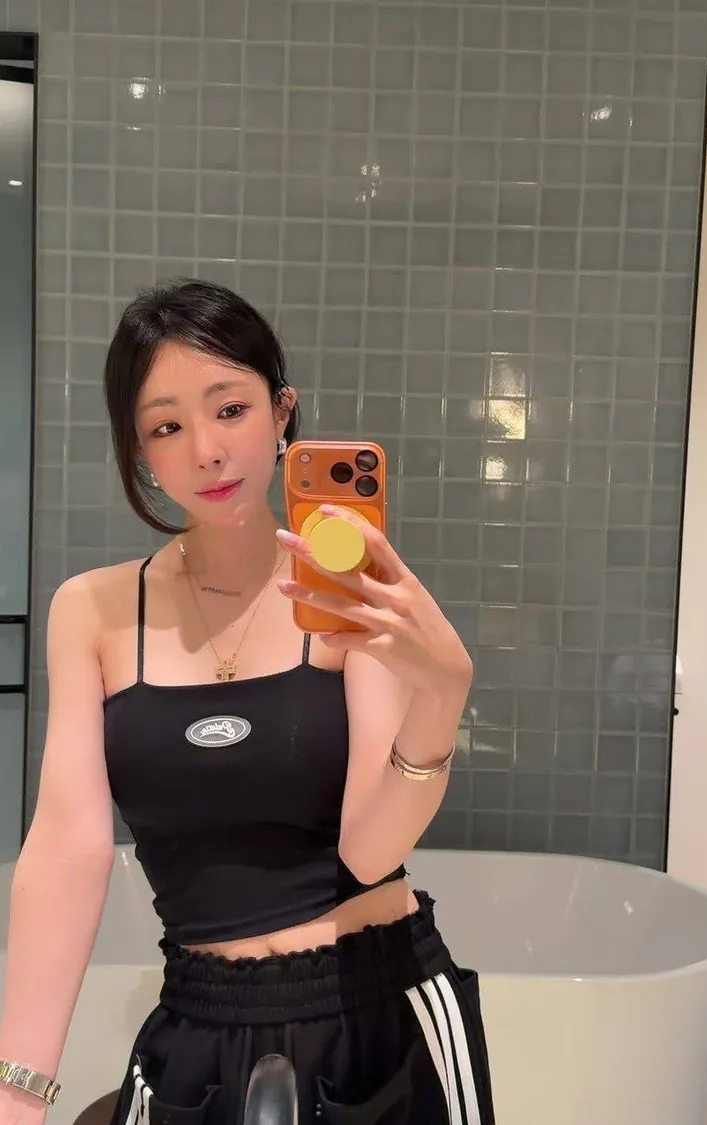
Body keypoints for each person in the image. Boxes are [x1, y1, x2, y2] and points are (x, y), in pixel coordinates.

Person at [0, 279, 494, 1125]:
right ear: (138, 450)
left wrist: (443, 692)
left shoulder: (344, 589)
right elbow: (67, 851)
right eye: (166, 426)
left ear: (282, 413)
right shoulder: (91, 612)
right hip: (199, 1020)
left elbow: (371, 849)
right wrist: (16, 1092)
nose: (206, 449)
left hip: (380, 1011)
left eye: (230, 409)